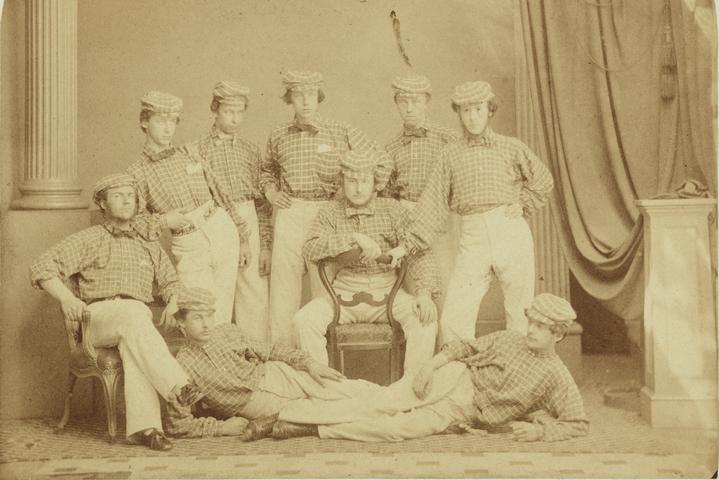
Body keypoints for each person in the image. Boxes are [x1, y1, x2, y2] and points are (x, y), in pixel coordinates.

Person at [29, 173, 201, 451]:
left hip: (134, 322)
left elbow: (170, 281)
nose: (126, 201)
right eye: (118, 196)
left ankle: (146, 430)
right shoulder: (89, 238)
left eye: (130, 196)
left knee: (135, 336)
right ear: (103, 204)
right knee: (135, 316)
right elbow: (41, 266)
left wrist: (173, 301)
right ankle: (178, 385)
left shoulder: (148, 244)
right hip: (97, 319)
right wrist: (65, 298)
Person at [271, 293, 588, 443]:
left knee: (396, 430)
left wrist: (540, 430)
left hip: (462, 413)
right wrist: (429, 367)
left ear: (559, 334)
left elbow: (577, 423)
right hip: (453, 378)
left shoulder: (557, 376)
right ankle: (283, 413)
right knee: (380, 403)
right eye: (531, 322)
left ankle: (309, 427)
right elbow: (462, 347)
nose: (532, 330)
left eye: (542, 327)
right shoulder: (510, 338)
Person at [390, 80, 554, 343]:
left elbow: (543, 180)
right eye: (465, 111)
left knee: (520, 309)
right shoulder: (450, 154)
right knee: (455, 315)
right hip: (473, 233)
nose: (472, 117)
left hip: (509, 229)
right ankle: (457, 378)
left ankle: (518, 375)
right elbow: (433, 205)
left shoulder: (511, 147)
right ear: (458, 114)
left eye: (478, 109)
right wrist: (406, 246)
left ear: (489, 110)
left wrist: (523, 202)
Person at [260, 70, 392, 344]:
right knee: (283, 290)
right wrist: (271, 192)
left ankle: (323, 357)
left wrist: (355, 196)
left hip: (328, 213)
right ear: (290, 99)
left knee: (325, 290)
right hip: (290, 211)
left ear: (319, 97)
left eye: (311, 95)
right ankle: (283, 359)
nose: (306, 102)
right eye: (299, 95)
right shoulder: (278, 135)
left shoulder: (340, 130)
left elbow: (382, 161)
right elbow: (267, 170)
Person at [165, 287, 381, 439]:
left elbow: (272, 350)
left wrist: (309, 363)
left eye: (209, 316)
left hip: (278, 375)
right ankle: (400, 412)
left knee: (351, 389)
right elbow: (178, 424)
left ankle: (403, 402)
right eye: (197, 318)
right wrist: (221, 428)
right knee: (338, 412)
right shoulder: (182, 367)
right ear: (182, 322)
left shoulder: (226, 332)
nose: (206, 325)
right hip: (257, 404)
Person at [295, 148, 439, 373]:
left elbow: (418, 250)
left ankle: (410, 391)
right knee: (304, 320)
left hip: (388, 295)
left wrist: (424, 293)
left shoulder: (391, 209)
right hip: (342, 294)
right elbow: (311, 247)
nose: (358, 188)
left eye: (364, 180)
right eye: (351, 181)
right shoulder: (330, 212)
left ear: (376, 182)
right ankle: (325, 390)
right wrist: (353, 238)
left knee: (424, 319)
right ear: (342, 181)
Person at [127, 90, 250, 325]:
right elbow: (135, 222)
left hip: (221, 228)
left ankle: (222, 359)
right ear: (144, 122)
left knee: (223, 311)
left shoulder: (188, 153)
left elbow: (220, 193)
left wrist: (243, 237)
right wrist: (164, 221)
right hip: (188, 240)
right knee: (200, 312)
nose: (167, 128)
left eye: (172, 121)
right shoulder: (136, 172)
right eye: (160, 120)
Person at [192, 81, 272, 340]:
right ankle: (216, 355)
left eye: (240, 112)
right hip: (216, 220)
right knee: (219, 292)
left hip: (248, 215)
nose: (235, 118)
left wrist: (265, 245)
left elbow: (260, 202)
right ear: (215, 110)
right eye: (228, 111)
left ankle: (255, 358)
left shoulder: (250, 150)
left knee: (255, 294)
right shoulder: (198, 150)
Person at [382, 74, 459, 311]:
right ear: (396, 104)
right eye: (403, 101)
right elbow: (387, 193)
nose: (409, 108)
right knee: (412, 289)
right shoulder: (391, 147)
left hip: (440, 220)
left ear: (426, 101)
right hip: (406, 219)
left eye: (415, 101)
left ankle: (447, 347)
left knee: (445, 287)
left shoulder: (448, 139)